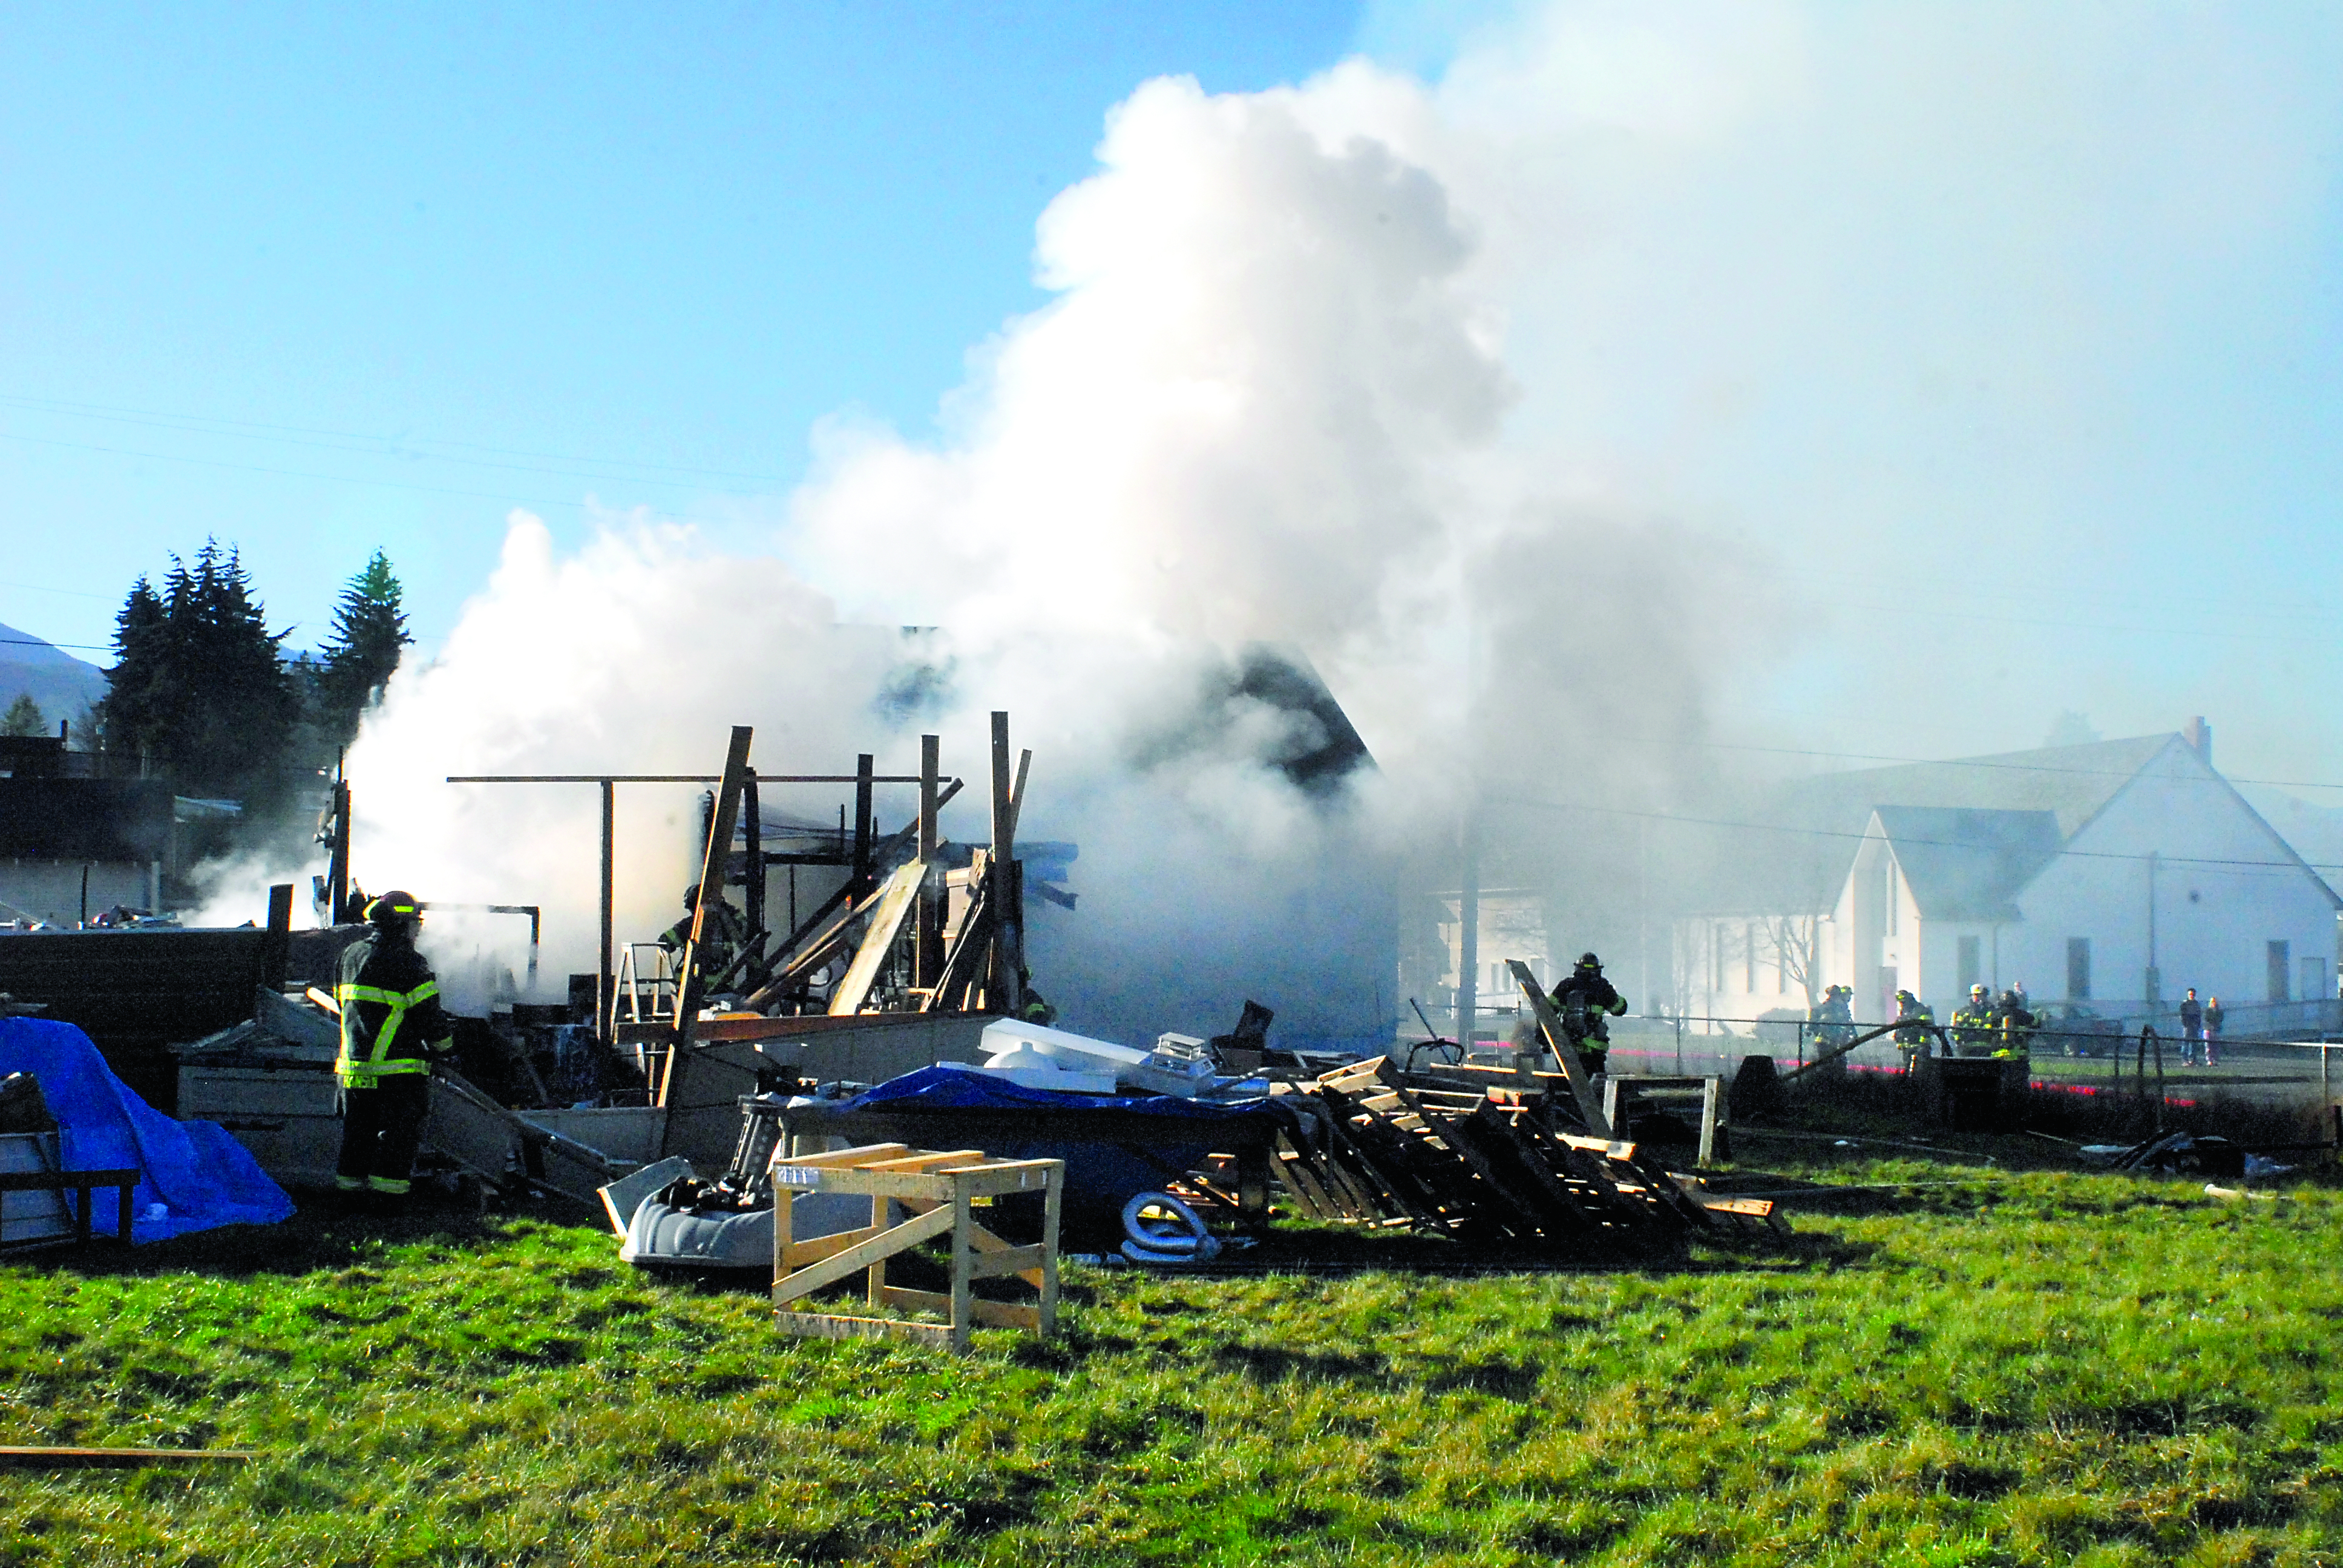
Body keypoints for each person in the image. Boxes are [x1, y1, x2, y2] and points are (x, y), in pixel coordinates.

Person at [334, 890, 455, 1210]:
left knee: (356, 1138)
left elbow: (342, 1006)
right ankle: (388, 1208)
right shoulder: (409, 962)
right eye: (417, 922)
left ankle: (350, 1205)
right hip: (396, 1073)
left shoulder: (350, 955)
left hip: (353, 1069)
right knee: (397, 1140)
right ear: (404, 925)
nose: (420, 929)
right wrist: (447, 1049)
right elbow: (430, 1017)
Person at [1547, 952, 1628, 1077]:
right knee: (1596, 1086)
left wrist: (1544, 1041)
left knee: (1569, 1083)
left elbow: (1547, 1012)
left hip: (1568, 1047)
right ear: (1597, 970)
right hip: (1595, 1050)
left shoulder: (1566, 986)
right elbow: (1619, 1010)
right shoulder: (1603, 988)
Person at [658, 883, 749, 984]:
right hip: (720, 986)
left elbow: (664, 941)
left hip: (692, 987)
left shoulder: (688, 925)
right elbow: (745, 929)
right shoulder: (727, 925)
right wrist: (728, 909)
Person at [1891, 988, 1935, 1071]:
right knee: (1908, 1069)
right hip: (1907, 1047)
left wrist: (1923, 1045)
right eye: (1901, 1002)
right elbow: (1901, 1027)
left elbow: (1926, 1029)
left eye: (1903, 1002)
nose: (1902, 1004)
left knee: (1921, 1069)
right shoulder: (1905, 1011)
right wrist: (1899, 1040)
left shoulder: (1921, 1010)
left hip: (1920, 1047)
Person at [1990, 987, 2036, 1059]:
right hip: (2019, 1055)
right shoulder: (2025, 1015)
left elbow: (1987, 1030)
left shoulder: (1994, 1015)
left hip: (1999, 1053)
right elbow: (2035, 1026)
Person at [1951, 984, 1995, 1056]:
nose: (1979, 998)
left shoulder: (1993, 1010)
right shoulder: (1963, 1012)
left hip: (1988, 1050)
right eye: (1976, 995)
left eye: (1982, 995)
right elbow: (1956, 1030)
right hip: (1968, 1049)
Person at [2177, 988, 2204, 1067]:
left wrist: (2198, 1024)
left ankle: (2193, 1059)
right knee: (2186, 1042)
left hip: (2195, 1026)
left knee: (2194, 1043)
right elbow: (2182, 1015)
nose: (2192, 996)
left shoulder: (2196, 1004)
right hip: (2188, 1026)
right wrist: (2186, 1024)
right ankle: (2185, 1060)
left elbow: (2198, 1015)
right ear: (2188, 995)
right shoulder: (2185, 1004)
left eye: (2193, 994)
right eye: (2190, 994)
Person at [2203, 995, 2224, 1067]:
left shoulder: (2219, 1012)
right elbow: (2207, 1019)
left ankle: (2215, 1060)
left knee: (2216, 1046)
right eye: (2212, 1002)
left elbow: (2220, 1019)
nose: (2214, 1003)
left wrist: (2216, 1024)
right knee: (2208, 1046)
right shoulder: (2208, 1011)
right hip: (2208, 1030)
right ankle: (2209, 1060)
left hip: (2216, 1030)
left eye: (2215, 1002)